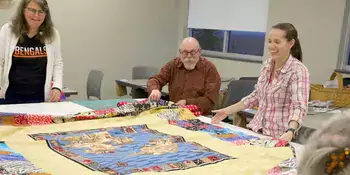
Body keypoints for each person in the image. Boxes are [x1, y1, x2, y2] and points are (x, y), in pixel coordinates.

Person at [212, 23, 310, 142]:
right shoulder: (267, 65)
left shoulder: (298, 70)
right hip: (257, 132)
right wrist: (226, 111)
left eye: (277, 42)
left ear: (291, 43)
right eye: (270, 41)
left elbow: (299, 107)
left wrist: (290, 131)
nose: (271, 46)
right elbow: (256, 96)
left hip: (280, 136)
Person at [0, 0, 63, 104]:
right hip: (11, 96)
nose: (36, 15)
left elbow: (58, 63)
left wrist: (57, 87)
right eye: (32, 10)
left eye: (41, 11)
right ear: (23, 10)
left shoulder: (53, 33)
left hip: (40, 97)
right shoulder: (8, 30)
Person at [147, 37, 221, 115]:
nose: (189, 56)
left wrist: (187, 102)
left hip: (200, 116)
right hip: (175, 113)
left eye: (192, 52)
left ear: (199, 52)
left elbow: (210, 100)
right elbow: (155, 79)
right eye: (185, 52)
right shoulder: (173, 65)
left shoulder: (209, 69)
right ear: (180, 52)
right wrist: (154, 89)